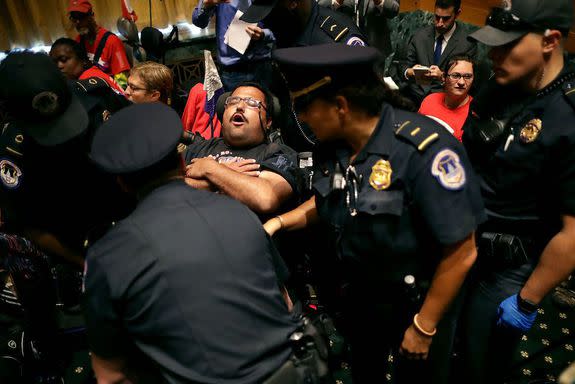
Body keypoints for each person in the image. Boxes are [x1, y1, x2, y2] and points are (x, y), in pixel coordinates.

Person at [269, 44, 485, 383]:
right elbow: (334, 198)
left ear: (340, 106)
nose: (304, 119)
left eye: (305, 107)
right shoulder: (334, 146)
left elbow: (462, 250)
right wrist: (279, 222)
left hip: (418, 304)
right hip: (364, 298)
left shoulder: (425, 150)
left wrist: (424, 326)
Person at [85, 102, 327, 383]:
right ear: (181, 163)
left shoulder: (107, 254)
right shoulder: (238, 213)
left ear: (122, 183)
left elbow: (110, 377)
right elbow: (284, 306)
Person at [460, 0, 575, 383]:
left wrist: (527, 300)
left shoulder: (568, 117)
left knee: (481, 365)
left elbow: (573, 232)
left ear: (550, 40)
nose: (493, 54)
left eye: (507, 45)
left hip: (509, 265)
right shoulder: (498, 87)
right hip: (463, 242)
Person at [0, 52, 132, 266]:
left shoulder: (97, 94)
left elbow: (140, 140)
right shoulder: (11, 152)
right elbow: (31, 226)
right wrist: (89, 265)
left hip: (133, 215)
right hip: (78, 245)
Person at [184, 82, 301, 218]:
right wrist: (224, 177)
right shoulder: (198, 149)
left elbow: (265, 198)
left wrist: (211, 169)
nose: (239, 106)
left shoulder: (278, 153)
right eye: (233, 101)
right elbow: (163, 187)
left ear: (268, 121)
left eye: (252, 103)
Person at [401, 0, 477, 106]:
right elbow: (403, 66)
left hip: (445, 102)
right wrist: (409, 72)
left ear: (457, 14)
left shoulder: (467, 44)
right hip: (414, 97)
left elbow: (468, 82)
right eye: (436, 17)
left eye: (446, 19)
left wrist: (442, 77)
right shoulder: (419, 36)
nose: (440, 23)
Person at [192, 0, 275, 91]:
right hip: (232, 70)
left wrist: (265, 34)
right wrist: (207, 5)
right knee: (233, 104)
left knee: (264, 103)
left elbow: (282, 26)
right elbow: (199, 22)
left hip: (262, 64)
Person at [240, 0, 367, 48]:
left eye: (270, 13)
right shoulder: (289, 26)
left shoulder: (336, 40)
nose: (264, 21)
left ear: (292, 3)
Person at [68, 0, 131, 87]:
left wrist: (119, 95)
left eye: (81, 17)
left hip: (107, 91)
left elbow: (122, 78)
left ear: (92, 16)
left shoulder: (112, 41)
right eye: (74, 18)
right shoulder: (78, 41)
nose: (78, 22)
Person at [418, 55, 475, 141]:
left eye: (467, 76)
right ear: (444, 77)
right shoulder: (430, 100)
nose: (461, 82)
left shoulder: (474, 114)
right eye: (455, 76)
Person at [49, 37, 125, 94]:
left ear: (83, 60)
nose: (59, 66)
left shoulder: (88, 81)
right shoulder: (92, 73)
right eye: (54, 62)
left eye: (64, 59)